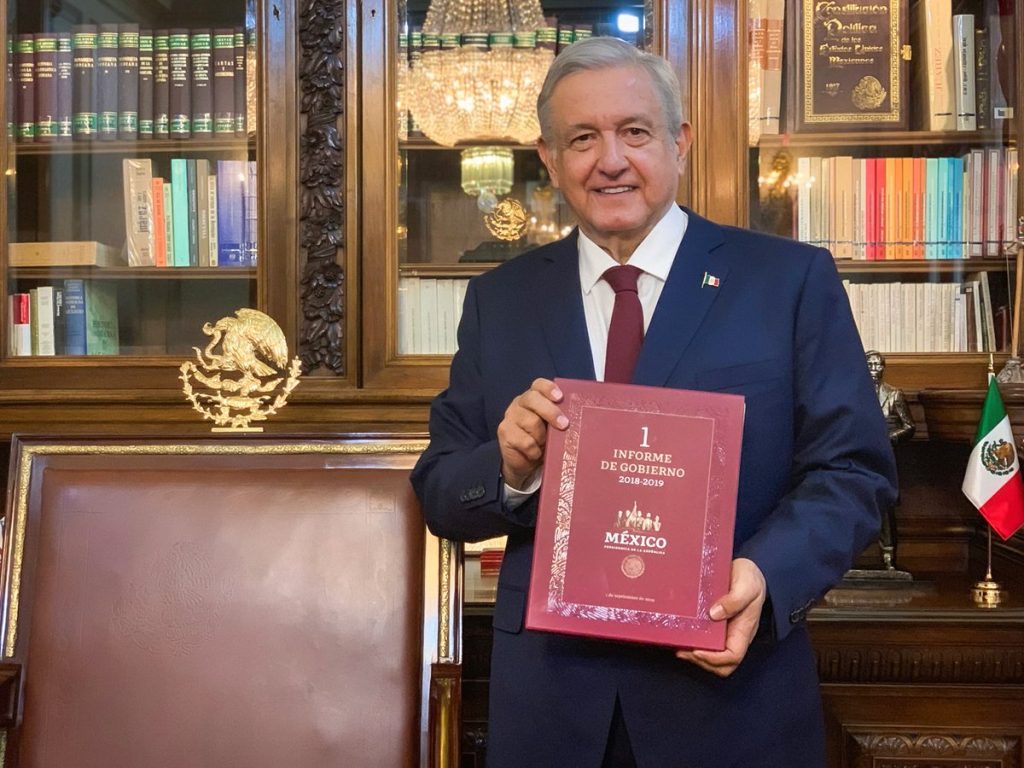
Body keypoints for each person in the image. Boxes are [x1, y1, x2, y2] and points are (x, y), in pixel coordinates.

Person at [411, 36, 897, 768]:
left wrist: (765, 577)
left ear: (680, 142)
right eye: (582, 138)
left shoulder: (787, 281)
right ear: (549, 159)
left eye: (634, 131)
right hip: (551, 710)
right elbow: (441, 490)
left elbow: (854, 472)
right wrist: (509, 470)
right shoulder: (499, 300)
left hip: (730, 705)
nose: (609, 160)